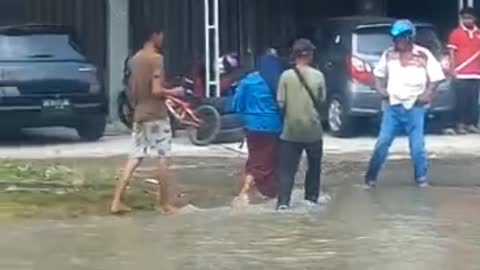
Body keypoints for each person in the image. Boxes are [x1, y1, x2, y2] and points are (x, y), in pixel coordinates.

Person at [111, 26, 184, 215]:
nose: (163, 39)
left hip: (140, 114)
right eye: (161, 35)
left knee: (134, 157)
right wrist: (174, 92)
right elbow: (156, 90)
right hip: (156, 116)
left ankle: (116, 202)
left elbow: (133, 90)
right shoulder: (156, 59)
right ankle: (166, 204)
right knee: (163, 158)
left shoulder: (134, 60)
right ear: (154, 36)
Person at [365, 20, 445, 188]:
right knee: (382, 143)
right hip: (392, 107)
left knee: (417, 148)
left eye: (400, 38)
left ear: (409, 37)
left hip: (415, 107)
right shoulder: (388, 55)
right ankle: (370, 179)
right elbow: (378, 74)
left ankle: (421, 179)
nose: (396, 42)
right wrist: (380, 89)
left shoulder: (423, 54)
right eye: (394, 38)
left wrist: (427, 94)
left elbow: (437, 77)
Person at [276, 39, 327, 211]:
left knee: (287, 171)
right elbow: (321, 99)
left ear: (294, 56)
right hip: (313, 131)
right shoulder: (318, 76)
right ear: (310, 55)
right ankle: (311, 199)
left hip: (290, 131)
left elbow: (280, 103)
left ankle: (283, 203)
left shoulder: (285, 76)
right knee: (313, 168)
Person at [231, 49, 284, 208]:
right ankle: (247, 193)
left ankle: (257, 195)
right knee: (268, 163)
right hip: (273, 128)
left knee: (255, 161)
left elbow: (236, 104)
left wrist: (249, 117)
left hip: (252, 128)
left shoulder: (248, 81)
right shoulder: (278, 81)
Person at [447, 7, 480, 134]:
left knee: (473, 101)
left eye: (470, 18)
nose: (467, 20)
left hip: (476, 73)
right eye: (465, 18)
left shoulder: (479, 34)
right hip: (461, 73)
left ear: (475, 19)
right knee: (461, 100)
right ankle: (460, 124)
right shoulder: (456, 33)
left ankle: (471, 124)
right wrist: (453, 68)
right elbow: (451, 52)